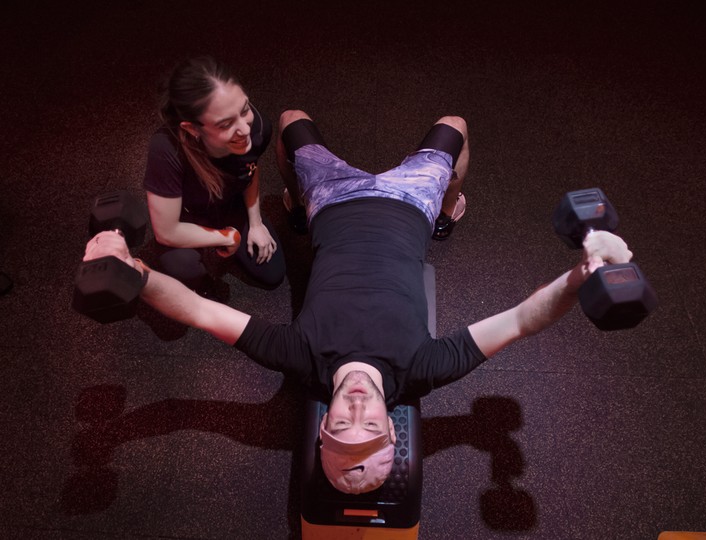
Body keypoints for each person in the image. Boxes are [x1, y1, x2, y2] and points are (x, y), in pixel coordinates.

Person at [83, 111, 633, 494]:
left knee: (293, 118)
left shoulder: (299, 357)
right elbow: (519, 322)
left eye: (340, 426)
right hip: (411, 202)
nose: (355, 409)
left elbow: (200, 313)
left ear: (322, 426)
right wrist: (580, 274)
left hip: (331, 201)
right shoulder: (421, 369)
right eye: (368, 425)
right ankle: (446, 213)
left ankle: (295, 207)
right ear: (393, 427)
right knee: (456, 126)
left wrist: (138, 270)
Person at [142, 56, 285, 297]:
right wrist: (228, 236)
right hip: (189, 218)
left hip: (231, 204)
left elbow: (251, 170)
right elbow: (166, 230)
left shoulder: (258, 127)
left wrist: (256, 222)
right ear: (192, 128)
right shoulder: (165, 150)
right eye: (225, 124)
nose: (245, 129)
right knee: (183, 267)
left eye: (245, 109)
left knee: (272, 273)